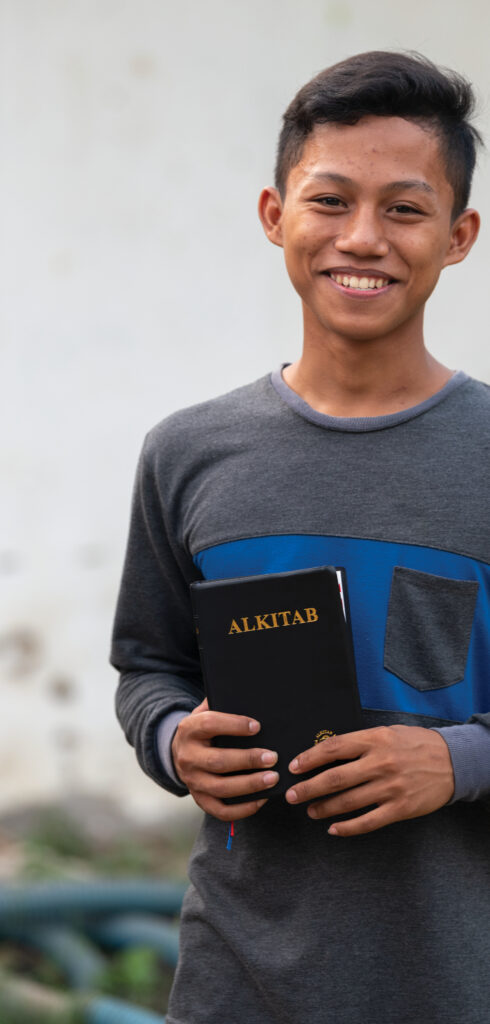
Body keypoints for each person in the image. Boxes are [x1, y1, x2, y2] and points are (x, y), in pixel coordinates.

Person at [111, 50, 490, 1024]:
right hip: (236, 981)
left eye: (404, 209)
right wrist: (170, 740)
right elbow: (148, 666)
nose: (361, 239)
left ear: (458, 236)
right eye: (330, 201)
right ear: (277, 216)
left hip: (454, 981)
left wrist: (458, 760)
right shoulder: (188, 453)